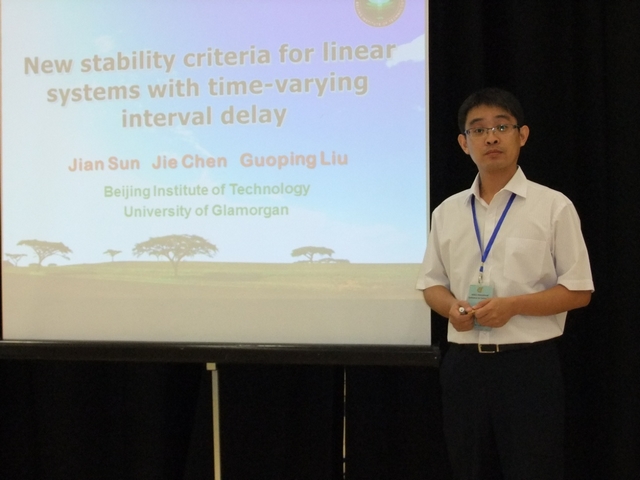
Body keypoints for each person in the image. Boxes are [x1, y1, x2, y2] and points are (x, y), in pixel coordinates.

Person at [416, 87, 594, 479]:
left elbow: (579, 290)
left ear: (522, 135)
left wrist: (513, 306)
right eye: (478, 130)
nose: (491, 138)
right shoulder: (447, 212)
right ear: (464, 143)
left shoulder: (554, 206)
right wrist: (451, 308)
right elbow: (431, 284)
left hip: (528, 366)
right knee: (468, 468)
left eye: (501, 127)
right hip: (463, 365)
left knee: (534, 468)